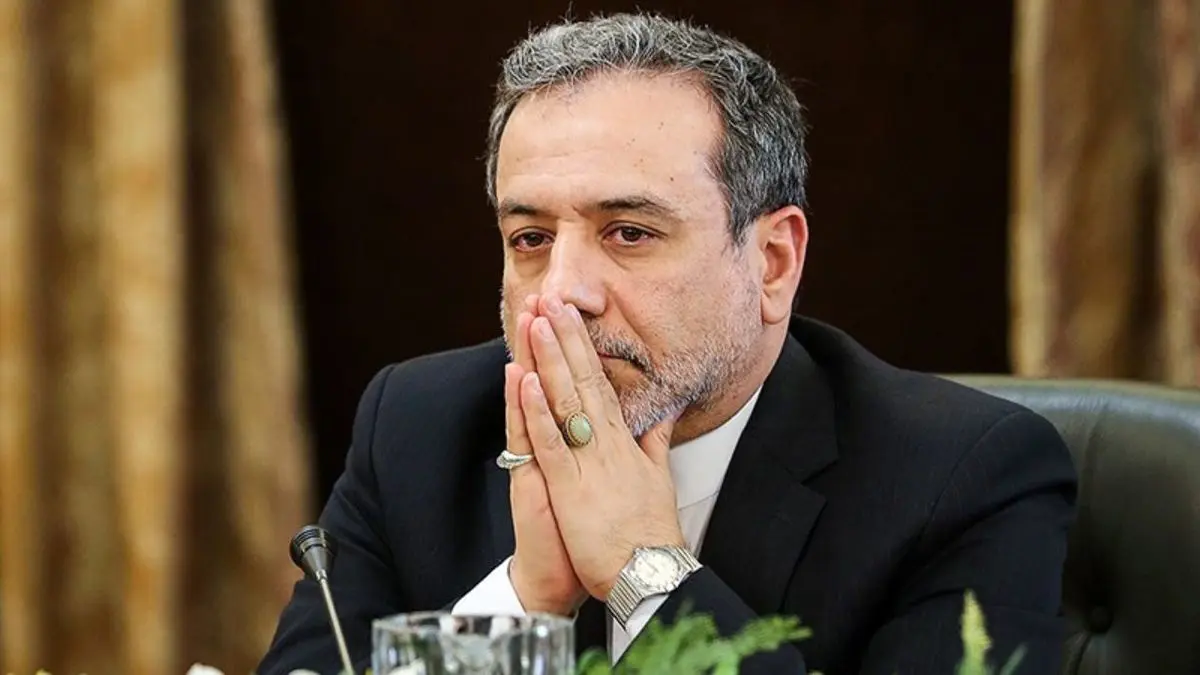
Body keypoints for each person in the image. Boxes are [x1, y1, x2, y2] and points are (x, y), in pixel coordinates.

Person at [258, 12, 1076, 674]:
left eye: (629, 232)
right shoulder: (417, 427)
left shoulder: (964, 478)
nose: (562, 293)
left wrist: (643, 569)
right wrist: (523, 598)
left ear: (772, 262)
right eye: (531, 238)